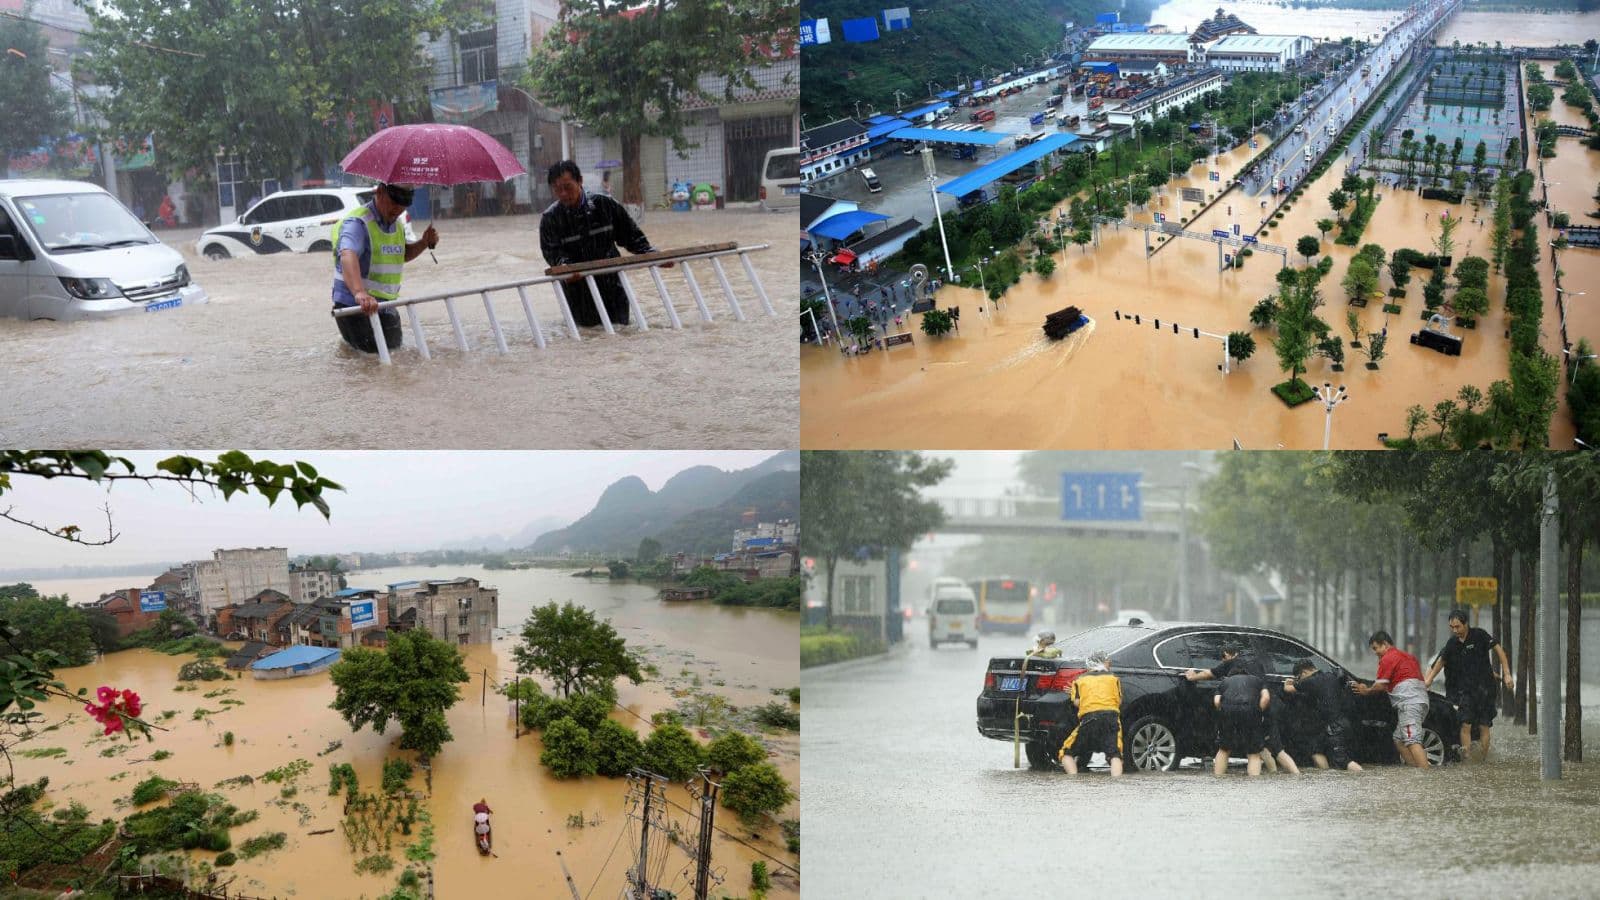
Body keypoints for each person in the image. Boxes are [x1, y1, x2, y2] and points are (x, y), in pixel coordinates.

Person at [539, 160, 662, 328]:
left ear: (580, 181)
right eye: (557, 189)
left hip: (612, 286)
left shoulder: (605, 205)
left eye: (567, 187)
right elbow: (552, 253)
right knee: (588, 337)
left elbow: (631, 237)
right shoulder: (550, 219)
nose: (563, 194)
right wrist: (565, 266)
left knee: (621, 333)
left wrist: (652, 253)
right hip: (578, 291)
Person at [331, 182, 439, 354]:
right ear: (380, 192)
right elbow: (347, 255)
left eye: (402, 207)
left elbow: (401, 255)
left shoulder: (396, 225)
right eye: (394, 204)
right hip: (355, 306)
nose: (397, 210)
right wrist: (359, 293)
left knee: (395, 353)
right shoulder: (357, 223)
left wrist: (424, 242)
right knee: (371, 360)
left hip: (386, 305)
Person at [1186, 640, 1297, 774]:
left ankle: (1293, 774)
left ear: (1228, 655)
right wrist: (1259, 710)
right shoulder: (1256, 665)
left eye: (1223, 657)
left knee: (1227, 749)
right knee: (1262, 747)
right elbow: (1266, 695)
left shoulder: (1229, 672)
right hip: (1268, 708)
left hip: (1251, 710)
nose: (1223, 660)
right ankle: (1280, 775)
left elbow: (1210, 674)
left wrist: (1193, 677)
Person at [1425, 609, 1513, 761]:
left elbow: (1499, 651)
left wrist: (1507, 674)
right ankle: (1467, 759)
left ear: (1466, 624)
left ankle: (1483, 760)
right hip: (1466, 691)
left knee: (1484, 726)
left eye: (1458, 626)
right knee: (1465, 724)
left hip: (1486, 689)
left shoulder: (1480, 635)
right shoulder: (1452, 643)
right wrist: (1429, 680)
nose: (1455, 630)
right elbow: (1441, 662)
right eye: (1452, 627)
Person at [1352, 630, 1431, 769]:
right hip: (1421, 701)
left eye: (1376, 648)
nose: (1375, 652)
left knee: (1412, 741)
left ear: (1385, 644)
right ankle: (1415, 772)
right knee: (1399, 739)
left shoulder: (1388, 658)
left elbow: (1380, 685)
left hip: (1408, 704)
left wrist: (1366, 690)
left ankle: (1425, 778)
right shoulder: (1408, 656)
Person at [1284, 659, 1362, 772]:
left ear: (1304, 672)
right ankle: (1326, 780)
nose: (1300, 680)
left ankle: (1363, 777)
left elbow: (1288, 689)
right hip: (1343, 723)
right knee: (1316, 751)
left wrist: (1288, 683)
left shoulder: (1310, 681)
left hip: (1334, 728)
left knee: (1342, 761)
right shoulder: (1331, 676)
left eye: (1299, 677)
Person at [1057, 650, 1123, 776]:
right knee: (1115, 754)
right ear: (1103, 663)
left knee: (1066, 753)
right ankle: (1117, 784)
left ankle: (1072, 781)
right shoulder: (1114, 678)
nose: (1110, 664)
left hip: (1089, 719)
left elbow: (1077, 703)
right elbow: (1118, 701)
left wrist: (1077, 695)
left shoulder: (1080, 680)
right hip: (1111, 719)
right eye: (1108, 662)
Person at [1213, 668, 1270, 776]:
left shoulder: (1225, 682)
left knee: (1224, 749)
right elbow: (1266, 698)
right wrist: (1258, 711)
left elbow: (1216, 702)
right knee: (1253, 753)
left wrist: (1225, 711)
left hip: (1228, 711)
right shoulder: (1257, 680)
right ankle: (1253, 783)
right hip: (1250, 711)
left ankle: (1218, 778)